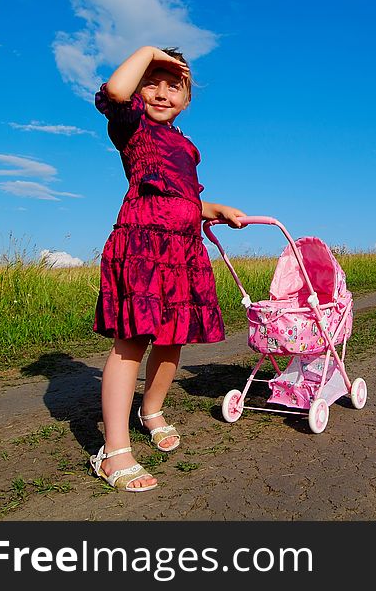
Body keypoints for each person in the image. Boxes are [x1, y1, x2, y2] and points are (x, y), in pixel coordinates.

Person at [89, 45, 246, 491]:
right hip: (142, 244)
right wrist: (152, 51)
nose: (161, 92)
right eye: (151, 82)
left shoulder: (187, 146)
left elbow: (186, 200)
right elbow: (116, 90)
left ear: (188, 99)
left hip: (183, 249)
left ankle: (151, 409)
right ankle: (114, 451)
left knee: (174, 337)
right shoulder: (131, 124)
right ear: (139, 91)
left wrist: (215, 208)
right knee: (132, 340)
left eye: (173, 85)